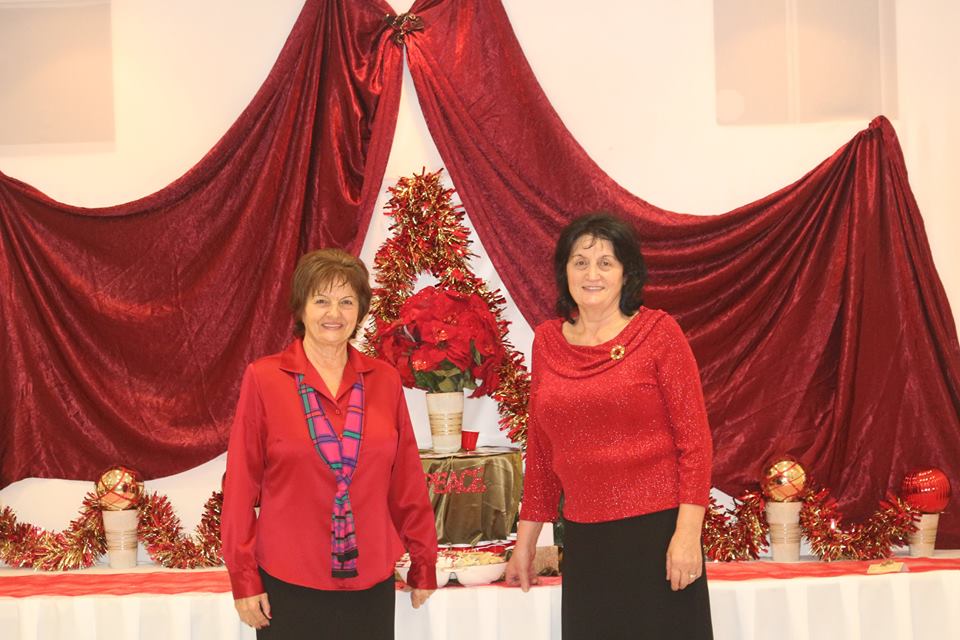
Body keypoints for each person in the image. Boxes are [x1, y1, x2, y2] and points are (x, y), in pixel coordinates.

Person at [505, 213, 714, 639]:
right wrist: (524, 543)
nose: (592, 274)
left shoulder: (658, 333)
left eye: (606, 262)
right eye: (580, 262)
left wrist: (687, 536)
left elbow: (695, 443)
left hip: (658, 539)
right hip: (586, 543)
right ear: (564, 272)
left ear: (626, 272)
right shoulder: (547, 342)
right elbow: (542, 451)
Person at [221, 248, 437, 638]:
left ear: (360, 312)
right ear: (301, 308)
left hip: (370, 579)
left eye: (346, 302)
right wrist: (244, 578)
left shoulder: (384, 380)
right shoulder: (264, 379)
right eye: (321, 300)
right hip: (288, 579)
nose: (333, 313)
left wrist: (424, 560)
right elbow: (240, 485)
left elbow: (406, 479)